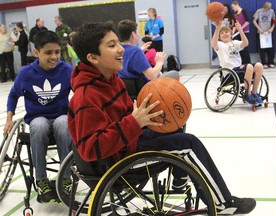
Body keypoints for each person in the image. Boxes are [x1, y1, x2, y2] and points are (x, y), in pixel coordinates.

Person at [68, 21, 256, 215]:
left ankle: (180, 179)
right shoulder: (86, 97)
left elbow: (124, 119)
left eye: (118, 43)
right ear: (93, 57)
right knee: (188, 144)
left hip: (127, 144)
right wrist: (134, 121)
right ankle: (223, 204)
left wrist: (141, 116)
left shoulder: (111, 79)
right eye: (111, 45)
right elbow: (90, 149)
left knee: (174, 123)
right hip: (116, 164)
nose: (121, 50)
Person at [3, 30, 72, 204]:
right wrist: (9, 118)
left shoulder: (66, 70)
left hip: (60, 116)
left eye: (56, 52)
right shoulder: (27, 73)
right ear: (36, 53)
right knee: (39, 125)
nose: (54, 57)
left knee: (63, 123)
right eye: (48, 53)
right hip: (37, 117)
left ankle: (65, 178)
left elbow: (81, 92)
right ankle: (41, 180)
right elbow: (13, 95)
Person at [212, 20, 264, 106]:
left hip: (240, 71)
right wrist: (217, 29)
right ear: (220, 37)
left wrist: (240, 30)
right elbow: (213, 44)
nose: (224, 34)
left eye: (226, 32)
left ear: (231, 34)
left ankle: (254, 93)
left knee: (259, 65)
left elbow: (245, 43)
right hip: (230, 73)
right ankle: (247, 95)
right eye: (222, 33)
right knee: (249, 66)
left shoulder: (235, 43)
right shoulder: (220, 45)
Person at [253, 2, 276, 69]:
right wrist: (259, 29)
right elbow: (254, 21)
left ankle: (271, 62)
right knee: (262, 49)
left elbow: (274, 20)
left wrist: (272, 28)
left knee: (270, 48)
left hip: (269, 32)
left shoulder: (271, 11)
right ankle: (264, 62)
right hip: (261, 32)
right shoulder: (259, 11)